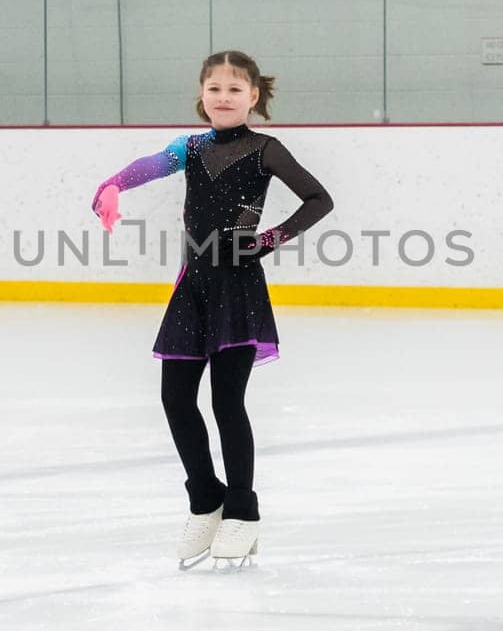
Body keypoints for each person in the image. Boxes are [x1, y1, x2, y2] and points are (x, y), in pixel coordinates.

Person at [91, 50, 334, 568]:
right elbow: (148, 166)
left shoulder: (266, 149)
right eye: (214, 88)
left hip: (238, 290)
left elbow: (319, 199)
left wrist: (269, 239)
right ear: (201, 94)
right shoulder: (191, 147)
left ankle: (243, 512)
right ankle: (206, 499)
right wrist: (111, 185)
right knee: (175, 399)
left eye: (235, 89)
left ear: (254, 97)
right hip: (193, 287)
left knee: (227, 403)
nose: (224, 97)